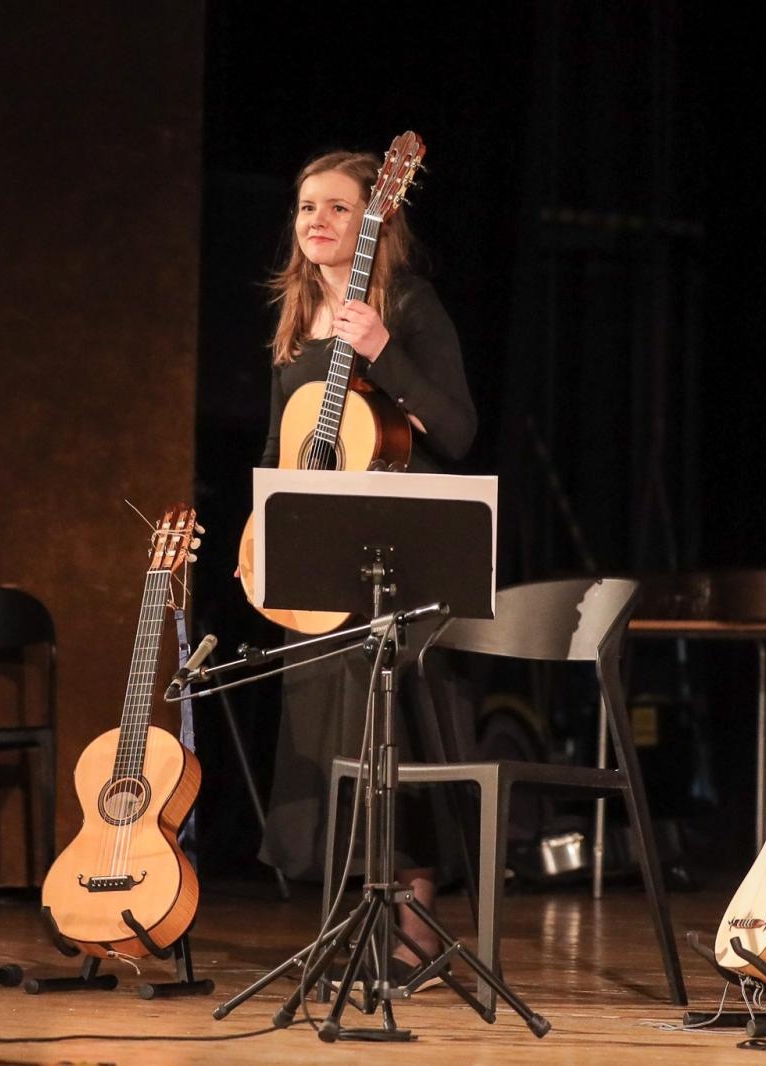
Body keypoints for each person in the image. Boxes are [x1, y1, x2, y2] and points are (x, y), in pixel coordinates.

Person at [252, 147, 477, 974]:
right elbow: (279, 448)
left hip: (397, 570)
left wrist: (382, 347)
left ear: (376, 217)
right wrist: (259, 535)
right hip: (321, 567)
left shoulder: (409, 306)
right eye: (308, 205)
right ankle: (354, 927)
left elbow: (454, 430)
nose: (318, 219)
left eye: (339, 206)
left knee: (400, 744)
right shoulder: (291, 322)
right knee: (328, 744)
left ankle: (416, 925)